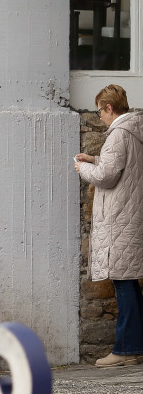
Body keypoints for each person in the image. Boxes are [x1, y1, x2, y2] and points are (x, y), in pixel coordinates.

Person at [75, 84, 143, 367]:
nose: (99, 117)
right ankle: (135, 346)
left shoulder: (118, 134)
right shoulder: (135, 132)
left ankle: (126, 350)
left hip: (119, 219)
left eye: (100, 111)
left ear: (109, 108)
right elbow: (121, 166)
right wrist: (96, 158)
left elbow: (107, 176)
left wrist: (84, 168)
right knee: (130, 283)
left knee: (123, 282)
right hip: (130, 216)